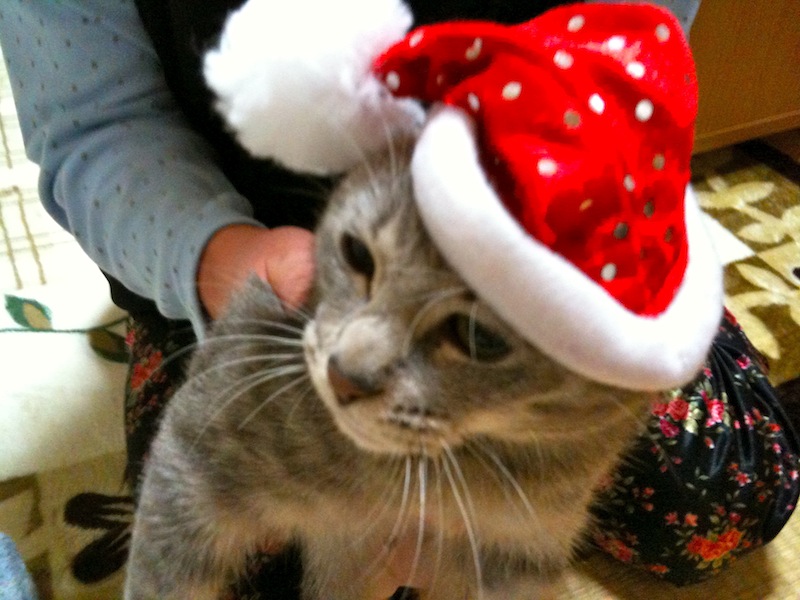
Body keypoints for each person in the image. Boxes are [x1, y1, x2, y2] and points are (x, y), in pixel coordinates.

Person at [6, 1, 797, 598]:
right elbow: (94, 127)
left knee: (728, 495)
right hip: (256, 251)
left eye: (472, 338)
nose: (351, 365)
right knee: (239, 554)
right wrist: (226, 258)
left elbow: (637, 75)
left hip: (564, 252)